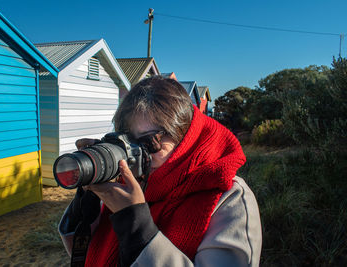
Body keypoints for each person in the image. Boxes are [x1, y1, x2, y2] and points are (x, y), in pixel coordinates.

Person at [58, 76, 262, 267]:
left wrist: (136, 226)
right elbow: (88, 254)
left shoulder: (230, 197)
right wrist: (87, 200)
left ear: (185, 136)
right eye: (130, 142)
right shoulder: (132, 183)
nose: (140, 153)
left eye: (150, 141)